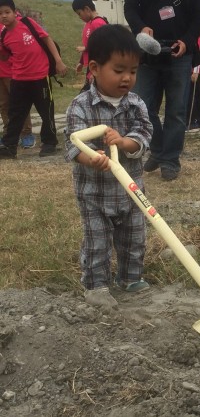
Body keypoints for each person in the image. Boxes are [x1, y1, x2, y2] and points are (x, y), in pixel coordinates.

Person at [64, 24, 153, 309]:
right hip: (95, 194)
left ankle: (130, 278)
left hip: (131, 191)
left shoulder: (136, 104)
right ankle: (97, 286)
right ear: (94, 67)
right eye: (119, 70)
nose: (127, 78)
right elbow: (74, 144)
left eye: (133, 71)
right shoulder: (80, 106)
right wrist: (91, 157)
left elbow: (144, 134)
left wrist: (125, 142)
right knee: (97, 242)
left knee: (134, 238)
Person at [124, 0, 200, 181]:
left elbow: (199, 13)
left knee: (177, 111)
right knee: (142, 107)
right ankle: (158, 150)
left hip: (180, 53)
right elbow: (130, 7)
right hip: (147, 52)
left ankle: (170, 159)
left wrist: (187, 42)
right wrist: (141, 28)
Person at [0, 0, 67, 159]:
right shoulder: (3, 36)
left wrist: (58, 61)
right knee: (15, 114)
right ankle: (9, 146)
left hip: (40, 78)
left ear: (15, 12)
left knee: (46, 111)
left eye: (7, 12)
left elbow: (46, 39)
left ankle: (49, 143)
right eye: (0, 13)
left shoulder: (28, 23)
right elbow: (5, 56)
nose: (3, 16)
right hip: (18, 80)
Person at [0, 0, 35, 149]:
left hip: (13, 70)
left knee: (19, 103)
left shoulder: (15, 19)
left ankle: (26, 133)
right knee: (4, 104)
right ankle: (9, 134)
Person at [72, 0, 108, 92]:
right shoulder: (90, 23)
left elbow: (103, 48)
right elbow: (89, 45)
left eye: (79, 13)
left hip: (97, 69)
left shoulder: (98, 23)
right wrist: (81, 62)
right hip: (91, 68)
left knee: (85, 98)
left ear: (87, 9)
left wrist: (96, 71)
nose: (79, 17)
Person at [186, 33, 200, 132]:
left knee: (192, 95)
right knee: (197, 94)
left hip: (194, 69)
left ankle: (193, 121)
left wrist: (195, 71)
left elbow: (198, 51)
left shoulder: (194, 33)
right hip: (191, 68)